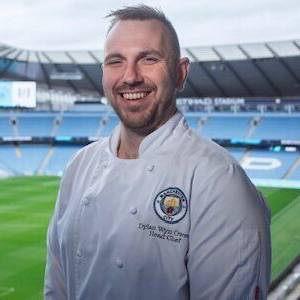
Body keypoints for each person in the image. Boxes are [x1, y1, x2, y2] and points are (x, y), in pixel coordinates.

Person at [44, 5, 271, 300]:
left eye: (148, 59)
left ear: (180, 72)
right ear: (103, 74)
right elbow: (56, 289)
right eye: (116, 61)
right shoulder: (79, 167)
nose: (130, 77)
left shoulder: (219, 183)